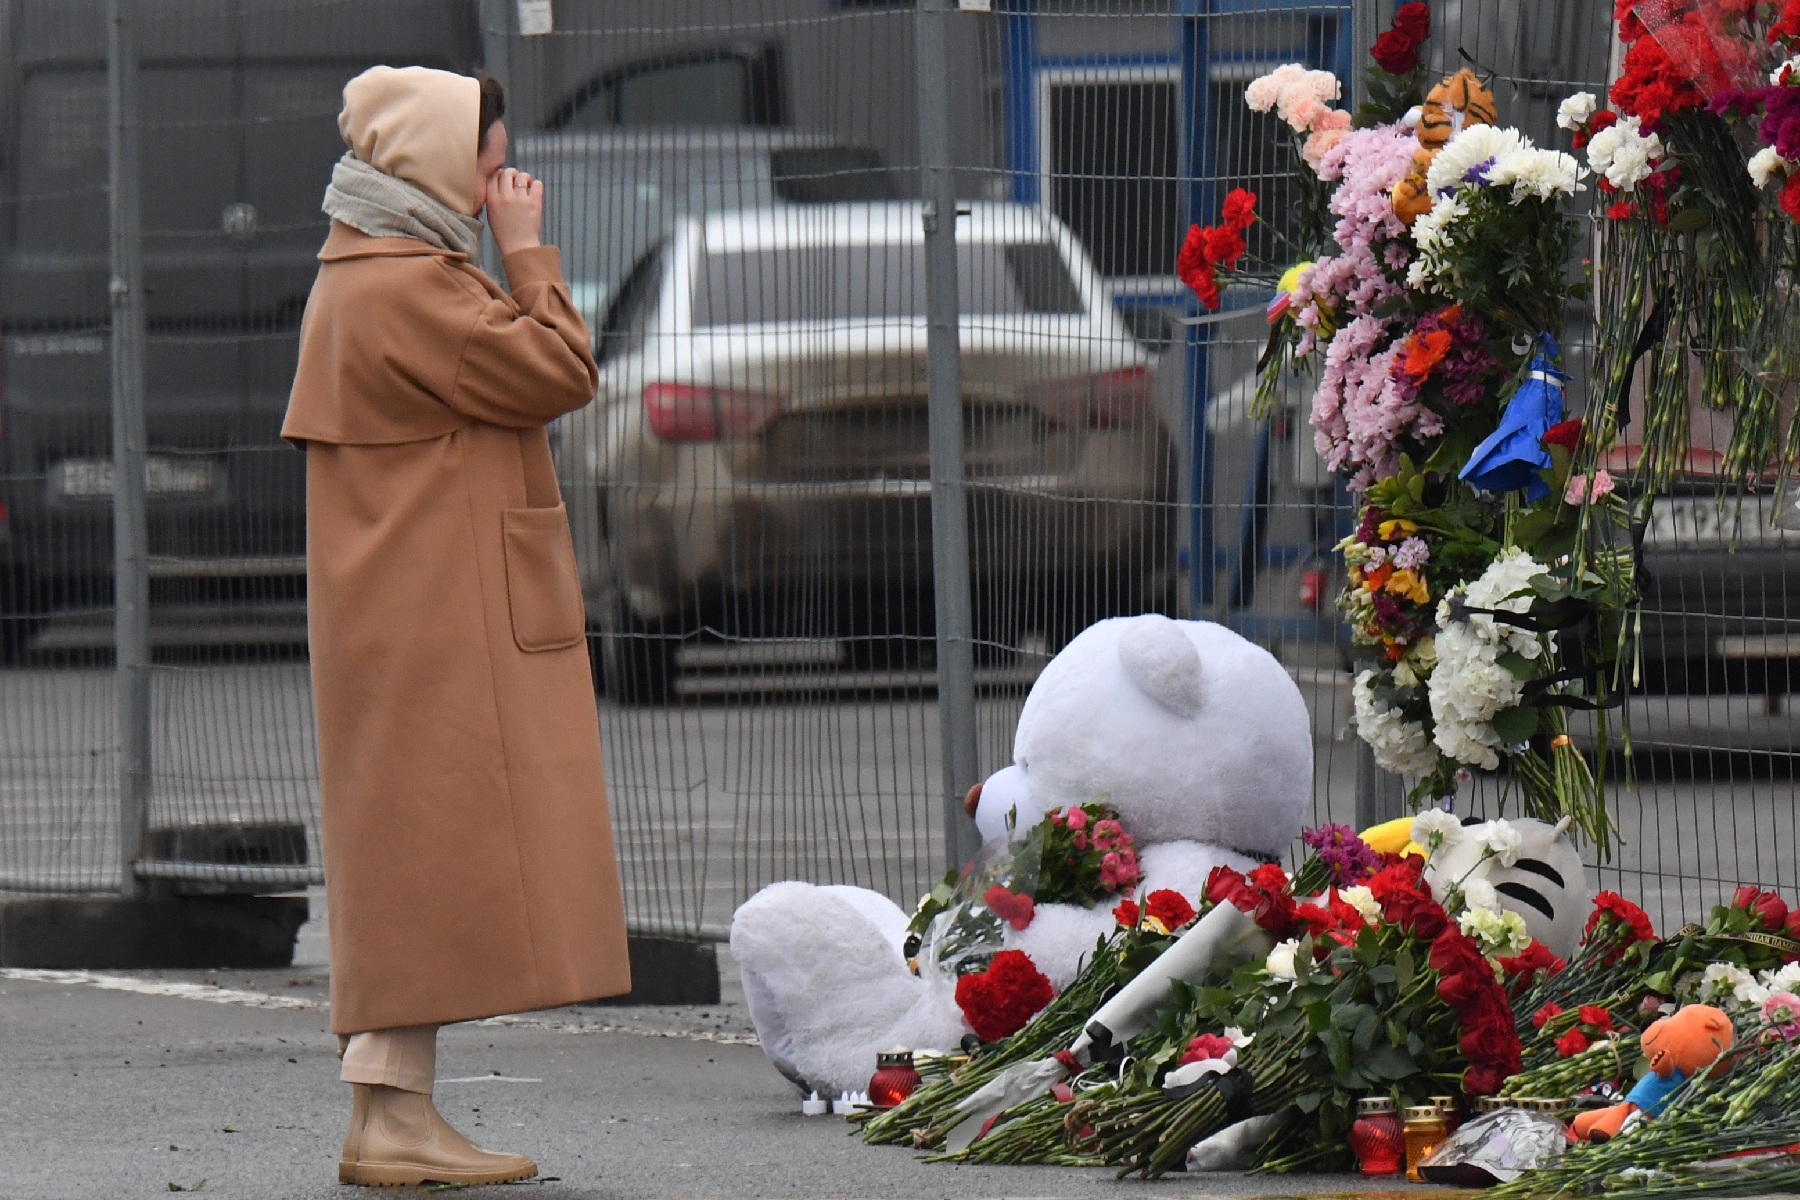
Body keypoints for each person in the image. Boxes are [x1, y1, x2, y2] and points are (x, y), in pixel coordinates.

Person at [283, 65, 631, 1187]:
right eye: (485, 170)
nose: (496, 191)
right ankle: (390, 1123)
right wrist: (531, 254)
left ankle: (392, 1118)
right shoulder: (409, 289)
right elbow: (562, 370)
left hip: (418, 617)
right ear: (430, 166)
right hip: (439, 624)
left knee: (414, 867)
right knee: (426, 868)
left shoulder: (382, 273)